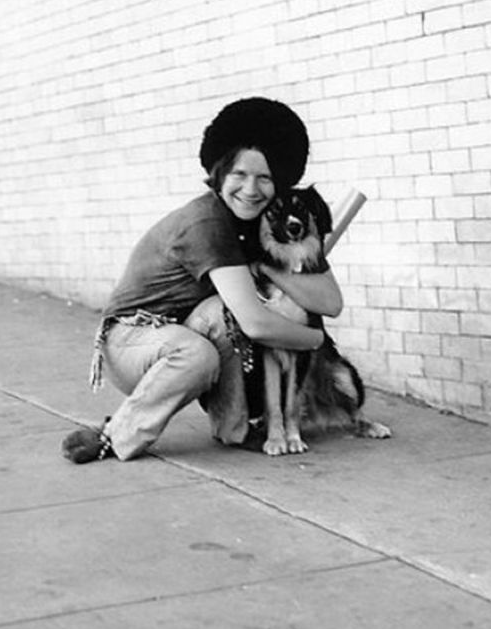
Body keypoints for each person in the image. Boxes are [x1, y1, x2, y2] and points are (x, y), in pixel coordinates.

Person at [62, 97, 343, 464]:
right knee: (207, 345)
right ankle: (117, 435)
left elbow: (331, 302)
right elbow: (256, 325)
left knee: (221, 312)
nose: (251, 188)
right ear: (220, 175)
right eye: (239, 175)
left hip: (186, 326)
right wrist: (316, 339)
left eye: (264, 178)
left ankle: (236, 429)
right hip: (131, 341)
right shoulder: (207, 223)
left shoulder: (264, 223)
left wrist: (270, 268)